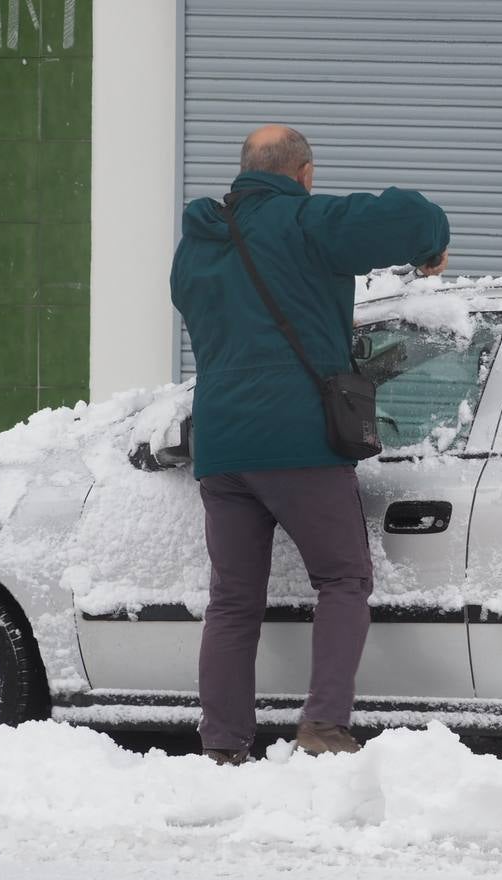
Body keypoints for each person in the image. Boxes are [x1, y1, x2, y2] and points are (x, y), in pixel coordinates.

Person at [170, 125, 450, 765]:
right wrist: (432, 244)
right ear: (304, 173)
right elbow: (408, 215)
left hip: (222, 447)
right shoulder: (305, 222)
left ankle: (222, 743)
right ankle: (323, 726)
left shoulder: (197, 247)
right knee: (344, 579)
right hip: (298, 438)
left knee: (234, 602)